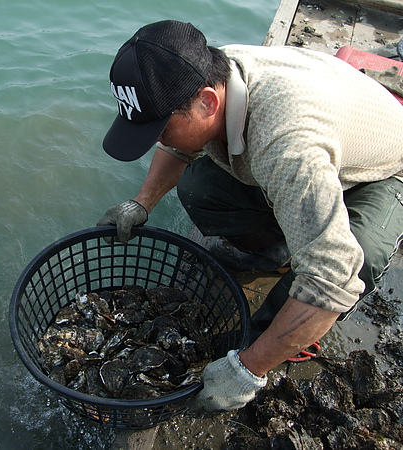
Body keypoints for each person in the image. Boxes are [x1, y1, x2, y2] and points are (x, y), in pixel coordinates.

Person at [97, 20, 403, 412]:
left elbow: (332, 280)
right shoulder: (207, 70)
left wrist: (248, 369)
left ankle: (266, 345)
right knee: (200, 187)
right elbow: (179, 147)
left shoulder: (286, 146)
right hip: (313, 154)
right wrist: (141, 204)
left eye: (158, 128)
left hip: (379, 173)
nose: (156, 139)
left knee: (356, 257)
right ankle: (276, 249)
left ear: (208, 101)